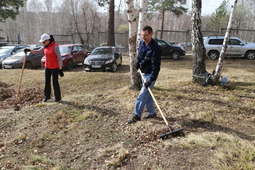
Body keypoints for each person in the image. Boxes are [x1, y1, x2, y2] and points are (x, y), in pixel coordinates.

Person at [128, 26, 162, 124]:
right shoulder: (142, 43)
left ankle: (137, 115)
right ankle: (151, 112)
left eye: (146, 35)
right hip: (144, 72)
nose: (144, 37)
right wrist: (137, 63)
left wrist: (151, 80)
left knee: (142, 95)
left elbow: (156, 66)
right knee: (148, 95)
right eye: (142, 35)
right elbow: (140, 55)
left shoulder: (156, 48)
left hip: (150, 74)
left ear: (151, 34)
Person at [24, 33, 64, 102]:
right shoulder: (45, 47)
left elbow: (60, 58)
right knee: (47, 82)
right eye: (42, 42)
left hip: (55, 67)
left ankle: (58, 98)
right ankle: (47, 96)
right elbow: (38, 52)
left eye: (43, 41)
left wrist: (60, 69)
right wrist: (30, 50)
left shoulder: (55, 47)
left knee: (55, 82)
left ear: (48, 40)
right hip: (47, 66)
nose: (42, 43)